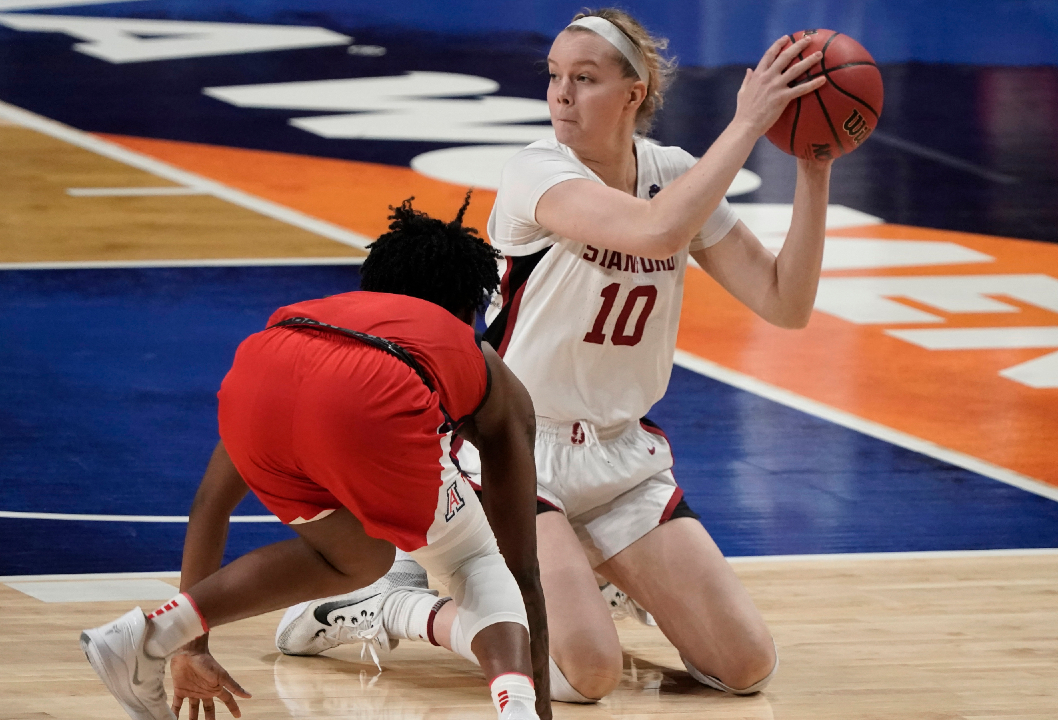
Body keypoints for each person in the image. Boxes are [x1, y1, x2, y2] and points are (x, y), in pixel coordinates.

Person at [275, 7, 833, 704]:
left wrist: (815, 167)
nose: (561, 95)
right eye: (554, 77)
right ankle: (392, 606)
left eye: (586, 79)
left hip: (620, 458)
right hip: (514, 452)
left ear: (634, 93)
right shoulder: (537, 172)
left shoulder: (675, 175)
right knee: (581, 676)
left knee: (745, 668)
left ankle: (590, 575)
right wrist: (747, 122)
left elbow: (786, 302)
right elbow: (656, 233)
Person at [79, 198, 551, 720]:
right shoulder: (471, 353)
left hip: (262, 366)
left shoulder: (327, 316)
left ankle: (152, 635)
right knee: (476, 563)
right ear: (468, 312)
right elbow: (522, 567)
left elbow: (211, 503)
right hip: (377, 393)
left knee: (358, 559)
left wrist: (193, 650)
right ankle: (520, 712)